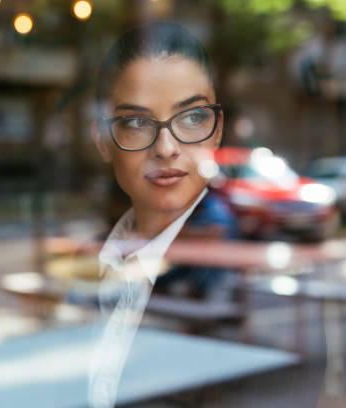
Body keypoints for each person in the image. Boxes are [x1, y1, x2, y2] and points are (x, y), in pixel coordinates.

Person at [87, 23, 324, 408]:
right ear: (103, 142)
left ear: (216, 132)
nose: (166, 148)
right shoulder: (117, 247)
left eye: (192, 119)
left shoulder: (209, 216)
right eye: (136, 123)